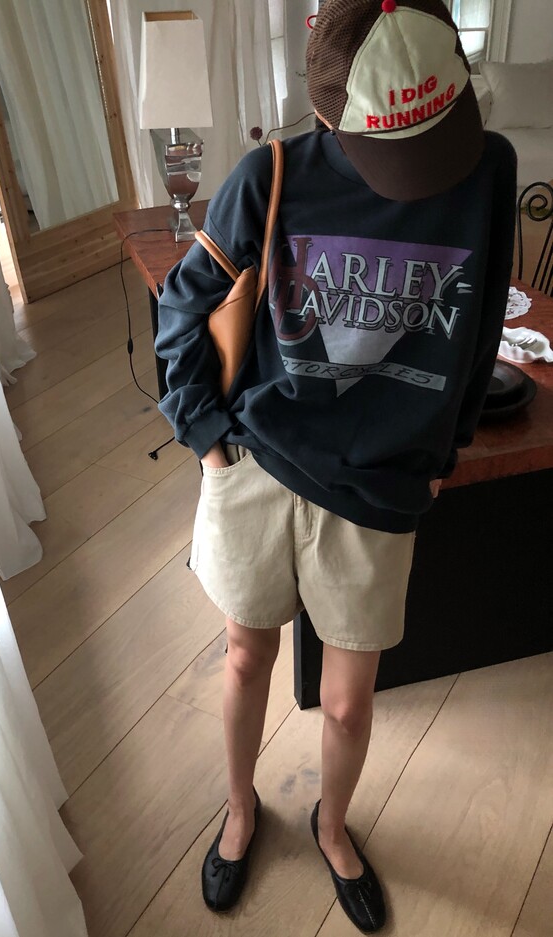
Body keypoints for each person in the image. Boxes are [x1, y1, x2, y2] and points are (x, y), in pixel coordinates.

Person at [154, 0, 517, 932]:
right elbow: (185, 302)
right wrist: (205, 433)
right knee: (246, 655)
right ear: (329, 113)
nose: (423, 170)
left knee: (350, 705)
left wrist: (447, 447)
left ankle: (331, 822)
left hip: (384, 482)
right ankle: (242, 808)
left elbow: (479, 325)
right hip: (259, 460)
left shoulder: (487, 167)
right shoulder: (270, 174)